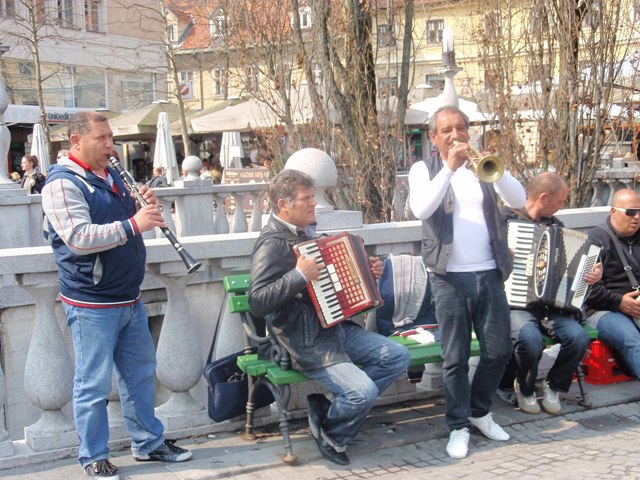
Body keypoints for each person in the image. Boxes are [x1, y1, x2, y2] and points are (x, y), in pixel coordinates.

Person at [41, 111, 192, 480]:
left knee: (140, 374)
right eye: (102, 138)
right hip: (92, 302)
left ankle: (148, 442)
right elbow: (78, 238)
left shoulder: (109, 177)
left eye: (111, 137)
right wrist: (133, 223)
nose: (111, 146)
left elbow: (123, 224)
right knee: (92, 384)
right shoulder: (61, 185)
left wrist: (140, 205)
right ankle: (93, 455)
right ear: (75, 141)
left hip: (128, 295)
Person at [248, 168, 411, 466]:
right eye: (306, 198)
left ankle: (330, 415)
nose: (314, 204)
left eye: (313, 197)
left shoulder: (308, 235)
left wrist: (370, 271)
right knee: (361, 392)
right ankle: (334, 434)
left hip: (336, 329)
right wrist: (299, 276)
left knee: (397, 356)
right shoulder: (272, 244)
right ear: (284, 205)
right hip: (306, 340)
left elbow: (339, 278)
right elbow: (257, 302)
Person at [408, 105, 526, 460]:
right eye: (446, 130)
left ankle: (479, 411)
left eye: (461, 128)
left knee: (499, 350)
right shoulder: (424, 169)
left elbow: (519, 200)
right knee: (455, 358)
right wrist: (449, 168)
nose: (456, 135)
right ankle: (458, 425)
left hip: (489, 272)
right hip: (448, 278)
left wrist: (495, 170)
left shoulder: (482, 168)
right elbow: (421, 208)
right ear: (433, 137)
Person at [497, 172, 601, 415]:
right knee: (530, 340)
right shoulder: (504, 221)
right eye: (561, 200)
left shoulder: (556, 227)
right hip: (516, 304)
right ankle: (525, 388)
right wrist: (504, 254)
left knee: (578, 337)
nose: (562, 206)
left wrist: (592, 272)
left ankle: (554, 386)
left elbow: (571, 270)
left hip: (551, 306)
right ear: (544, 198)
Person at [584, 188, 640, 379]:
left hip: (635, 304)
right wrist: (619, 302)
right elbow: (586, 290)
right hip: (601, 310)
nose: (637, 217)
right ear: (613, 212)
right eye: (631, 212)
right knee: (632, 339)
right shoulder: (596, 240)